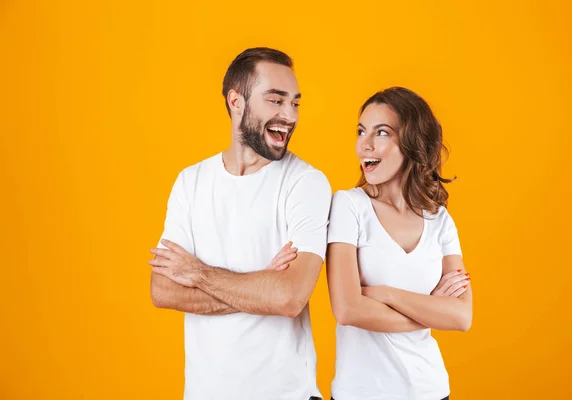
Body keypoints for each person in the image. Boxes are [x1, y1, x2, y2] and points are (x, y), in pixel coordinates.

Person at [148, 47, 331, 400]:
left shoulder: (305, 183)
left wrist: (198, 274)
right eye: (275, 100)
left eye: (294, 103)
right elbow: (163, 290)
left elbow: (290, 297)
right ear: (237, 101)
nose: (289, 115)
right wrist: (262, 283)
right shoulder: (191, 182)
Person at [326, 87, 473, 400]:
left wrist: (384, 295)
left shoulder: (439, 221)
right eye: (361, 131)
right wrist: (430, 308)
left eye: (381, 132)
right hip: (360, 393)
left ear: (413, 143)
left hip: (430, 389)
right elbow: (348, 309)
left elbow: (461, 317)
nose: (365, 144)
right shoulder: (349, 206)